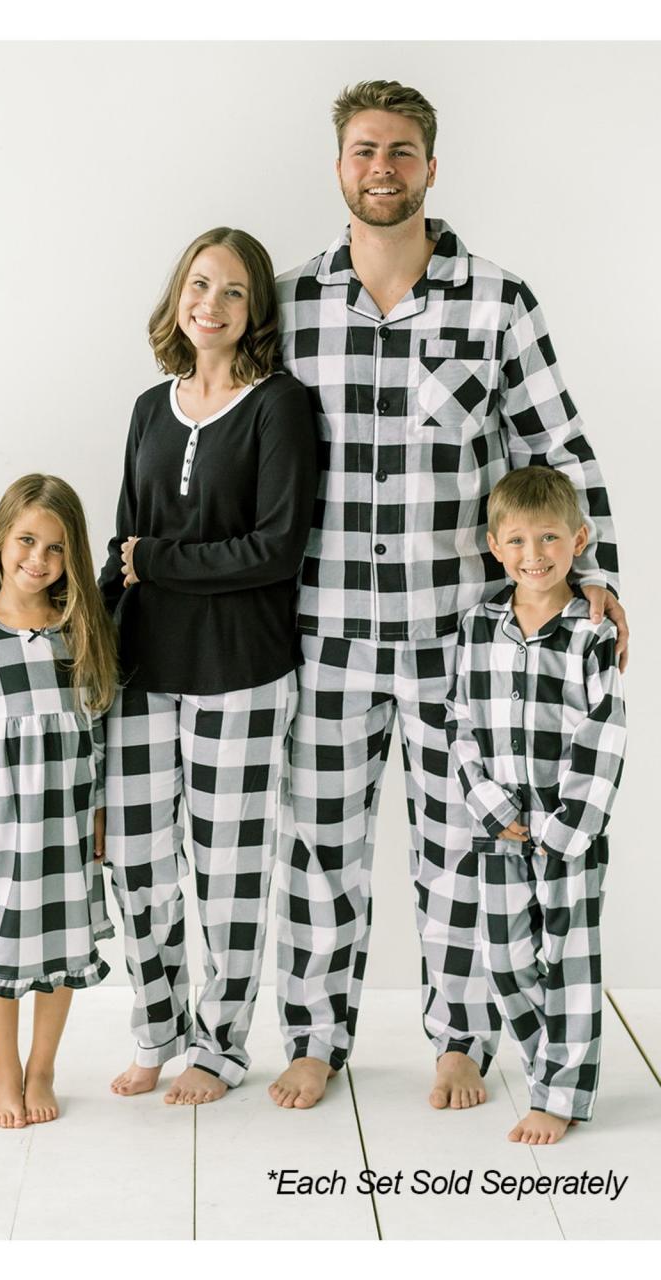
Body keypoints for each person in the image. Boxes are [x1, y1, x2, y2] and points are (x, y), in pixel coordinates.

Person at [272, 80, 627, 1112]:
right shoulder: (291, 304)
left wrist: (596, 579)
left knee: (458, 850)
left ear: (433, 166)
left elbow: (556, 444)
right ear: (339, 164)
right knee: (321, 846)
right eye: (364, 149)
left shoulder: (497, 300)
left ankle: (458, 1038)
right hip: (323, 629)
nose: (381, 166)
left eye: (402, 151)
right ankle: (314, 1035)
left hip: (458, 643)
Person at [100, 226, 317, 1104]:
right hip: (145, 669)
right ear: (176, 296)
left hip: (243, 669)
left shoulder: (280, 405)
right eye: (199, 285)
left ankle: (219, 1047)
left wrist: (158, 561)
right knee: (141, 866)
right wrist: (103, 652)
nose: (211, 305)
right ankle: (157, 1029)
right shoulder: (151, 407)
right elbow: (121, 546)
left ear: (255, 307)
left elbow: (274, 548)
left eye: (232, 291)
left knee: (226, 868)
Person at [445, 467, 625, 1143]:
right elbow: (457, 721)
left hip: (567, 828)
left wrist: (563, 828)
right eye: (518, 540)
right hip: (500, 828)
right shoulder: (478, 626)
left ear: (578, 541)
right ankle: (542, 1061)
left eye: (550, 538)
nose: (535, 554)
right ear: (495, 546)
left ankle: (562, 1094)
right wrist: (489, 805)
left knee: (570, 961)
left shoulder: (591, 632)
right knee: (507, 958)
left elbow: (604, 731)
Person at [0, 474, 118, 1128]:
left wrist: (101, 813)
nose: (38, 559)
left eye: (55, 548)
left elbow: (97, 735)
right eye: (26, 540)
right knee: (4, 945)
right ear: (0, 539)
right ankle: (4, 1071)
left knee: (63, 943)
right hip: (0, 824)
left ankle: (43, 1067)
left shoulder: (81, 633)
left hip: (68, 820)